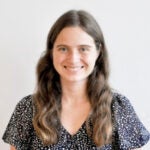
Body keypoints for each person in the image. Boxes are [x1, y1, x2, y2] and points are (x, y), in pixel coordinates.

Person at [2, 9, 150, 150]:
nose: (73, 59)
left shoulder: (118, 108)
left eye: (83, 48)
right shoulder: (27, 108)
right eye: (63, 48)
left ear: (98, 52)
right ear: (52, 51)